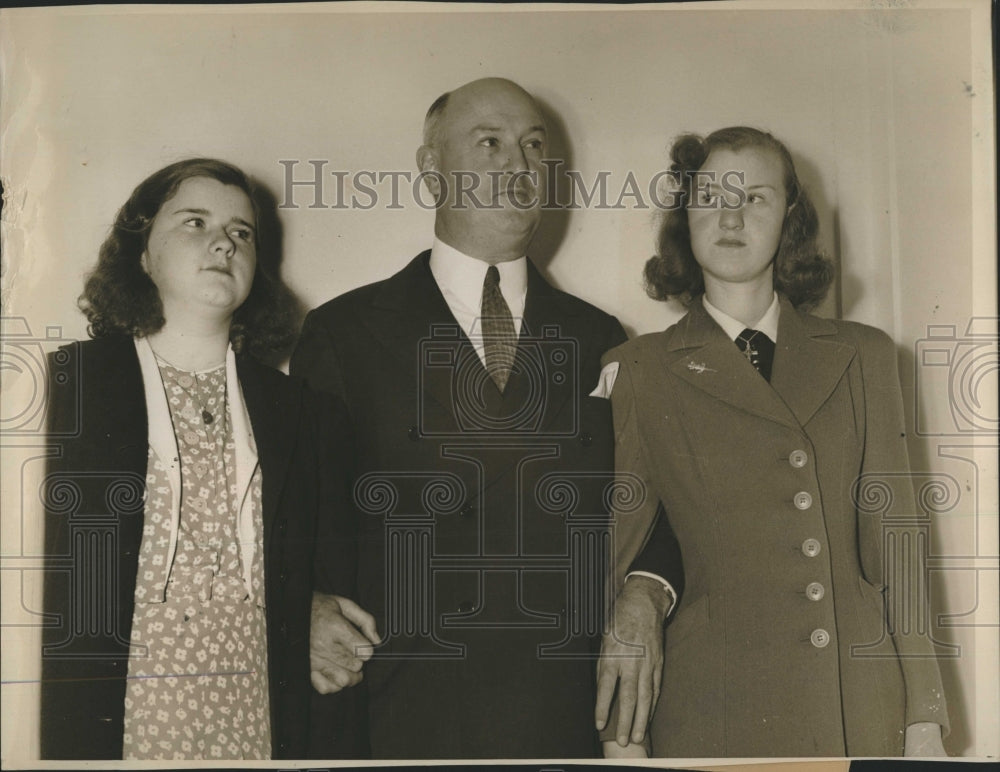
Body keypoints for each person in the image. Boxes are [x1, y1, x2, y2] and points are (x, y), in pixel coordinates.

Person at [292, 77, 682, 759]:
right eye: (490, 143)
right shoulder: (342, 334)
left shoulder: (601, 337)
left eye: (535, 146)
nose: (519, 165)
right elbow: (296, 516)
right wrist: (306, 605)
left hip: (562, 717)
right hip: (402, 714)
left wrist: (647, 592)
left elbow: (655, 501)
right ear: (431, 166)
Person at [598, 126, 949, 757]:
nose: (731, 216)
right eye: (711, 196)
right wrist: (624, 739)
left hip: (859, 700)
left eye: (756, 197)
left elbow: (898, 545)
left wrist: (924, 717)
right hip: (714, 710)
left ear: (790, 217)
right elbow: (623, 571)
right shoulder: (640, 370)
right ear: (685, 214)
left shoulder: (864, 354)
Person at [41, 158, 351, 759]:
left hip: (252, 716)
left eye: (242, 232)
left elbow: (306, 566)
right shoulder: (72, 385)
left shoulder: (296, 411)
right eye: (194, 222)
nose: (223, 241)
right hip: (124, 716)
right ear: (143, 254)